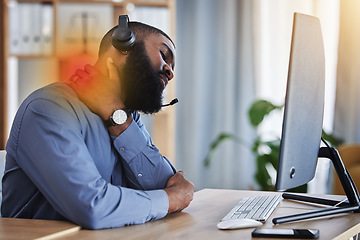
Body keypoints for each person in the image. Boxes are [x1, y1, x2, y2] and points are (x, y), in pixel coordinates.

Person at [1, 16, 194, 230]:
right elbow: (92, 208)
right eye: (164, 55)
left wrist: (116, 117)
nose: (170, 71)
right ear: (123, 45)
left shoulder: (124, 116)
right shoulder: (48, 109)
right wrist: (172, 199)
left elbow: (161, 184)